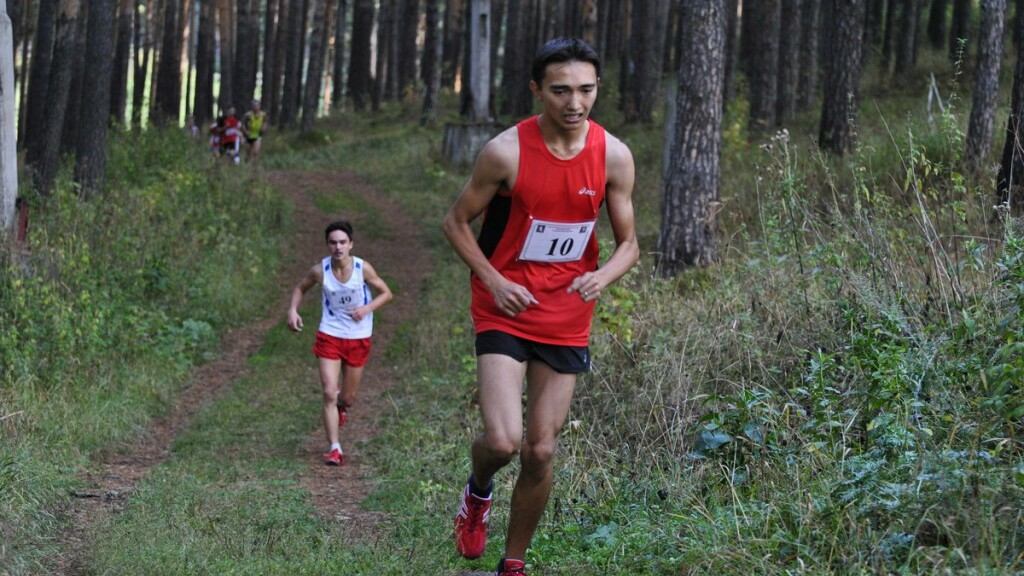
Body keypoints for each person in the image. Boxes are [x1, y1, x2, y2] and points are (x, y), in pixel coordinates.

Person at [441, 37, 638, 576]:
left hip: (567, 312)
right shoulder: (505, 151)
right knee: (504, 441)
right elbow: (455, 222)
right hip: (504, 306)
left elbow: (629, 244)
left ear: (597, 89)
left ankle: (513, 563)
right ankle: (478, 490)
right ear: (536, 90)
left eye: (586, 90)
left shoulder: (614, 155)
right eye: (560, 91)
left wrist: (602, 275)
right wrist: (493, 280)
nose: (575, 103)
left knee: (541, 451)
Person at [287, 220, 393, 466]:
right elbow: (301, 288)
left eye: (343, 242)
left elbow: (387, 293)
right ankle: (335, 448)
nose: (338, 247)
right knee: (328, 392)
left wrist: (366, 308)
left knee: (348, 397)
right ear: (327, 245)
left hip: (358, 336)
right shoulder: (320, 271)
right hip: (330, 333)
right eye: (333, 243)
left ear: (351, 244)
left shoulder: (362, 268)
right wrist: (293, 310)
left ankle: (342, 407)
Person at [241, 99, 267, 165]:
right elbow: (243, 123)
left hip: (257, 135)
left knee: (255, 152)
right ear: (251, 106)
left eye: (257, 105)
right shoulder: (248, 114)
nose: (255, 107)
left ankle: (254, 166)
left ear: (260, 106)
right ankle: (247, 165)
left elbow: (265, 122)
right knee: (248, 154)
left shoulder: (263, 114)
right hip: (248, 136)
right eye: (254, 105)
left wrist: (263, 128)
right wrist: (245, 131)